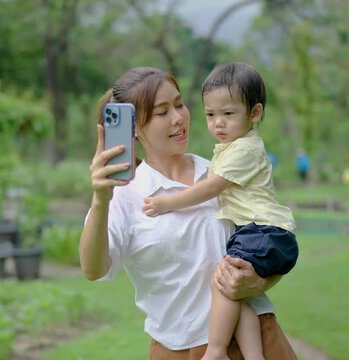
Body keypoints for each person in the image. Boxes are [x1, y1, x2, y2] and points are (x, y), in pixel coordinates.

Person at [80, 66, 297, 359]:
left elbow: (266, 244)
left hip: (255, 338)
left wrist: (261, 281)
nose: (178, 118)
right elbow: (94, 269)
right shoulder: (124, 195)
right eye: (162, 112)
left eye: (179, 104)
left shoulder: (219, 173)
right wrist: (100, 200)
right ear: (133, 127)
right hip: (181, 350)